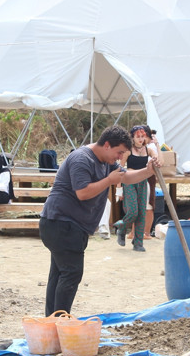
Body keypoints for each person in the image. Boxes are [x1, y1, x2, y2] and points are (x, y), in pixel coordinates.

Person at [40, 125, 158, 316]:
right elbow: (83, 192)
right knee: (70, 274)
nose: (120, 158)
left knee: (59, 274)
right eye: (119, 152)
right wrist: (110, 180)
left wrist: (148, 171)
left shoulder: (105, 160)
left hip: (68, 225)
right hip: (61, 223)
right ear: (107, 145)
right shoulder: (82, 158)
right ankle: (59, 322)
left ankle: (52, 321)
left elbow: (125, 176)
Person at [113, 125, 158, 252]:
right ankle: (122, 226)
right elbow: (119, 170)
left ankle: (138, 242)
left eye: (143, 136)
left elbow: (158, 158)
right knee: (133, 211)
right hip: (129, 181)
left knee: (142, 213)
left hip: (142, 182)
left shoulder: (148, 149)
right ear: (132, 137)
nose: (140, 139)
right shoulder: (128, 150)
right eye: (138, 136)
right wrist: (119, 189)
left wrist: (157, 145)